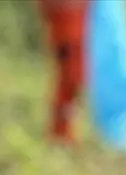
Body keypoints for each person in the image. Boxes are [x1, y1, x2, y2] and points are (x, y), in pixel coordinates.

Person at [38, 0, 91, 143]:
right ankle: (61, 132)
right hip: (66, 34)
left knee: (72, 81)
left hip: (74, 32)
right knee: (70, 80)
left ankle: (63, 131)